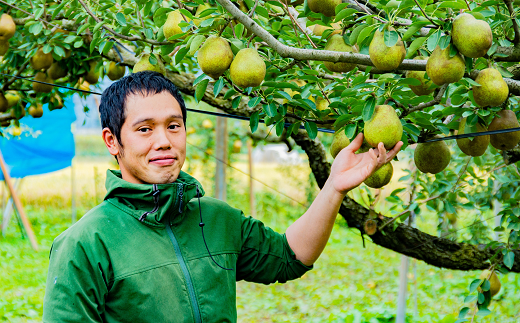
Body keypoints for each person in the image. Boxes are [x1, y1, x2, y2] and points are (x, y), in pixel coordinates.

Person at [43, 71, 402, 322]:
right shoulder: (85, 243)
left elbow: (291, 257)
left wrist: (334, 187)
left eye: (173, 126)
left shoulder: (216, 219)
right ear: (112, 141)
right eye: (144, 129)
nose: (164, 141)